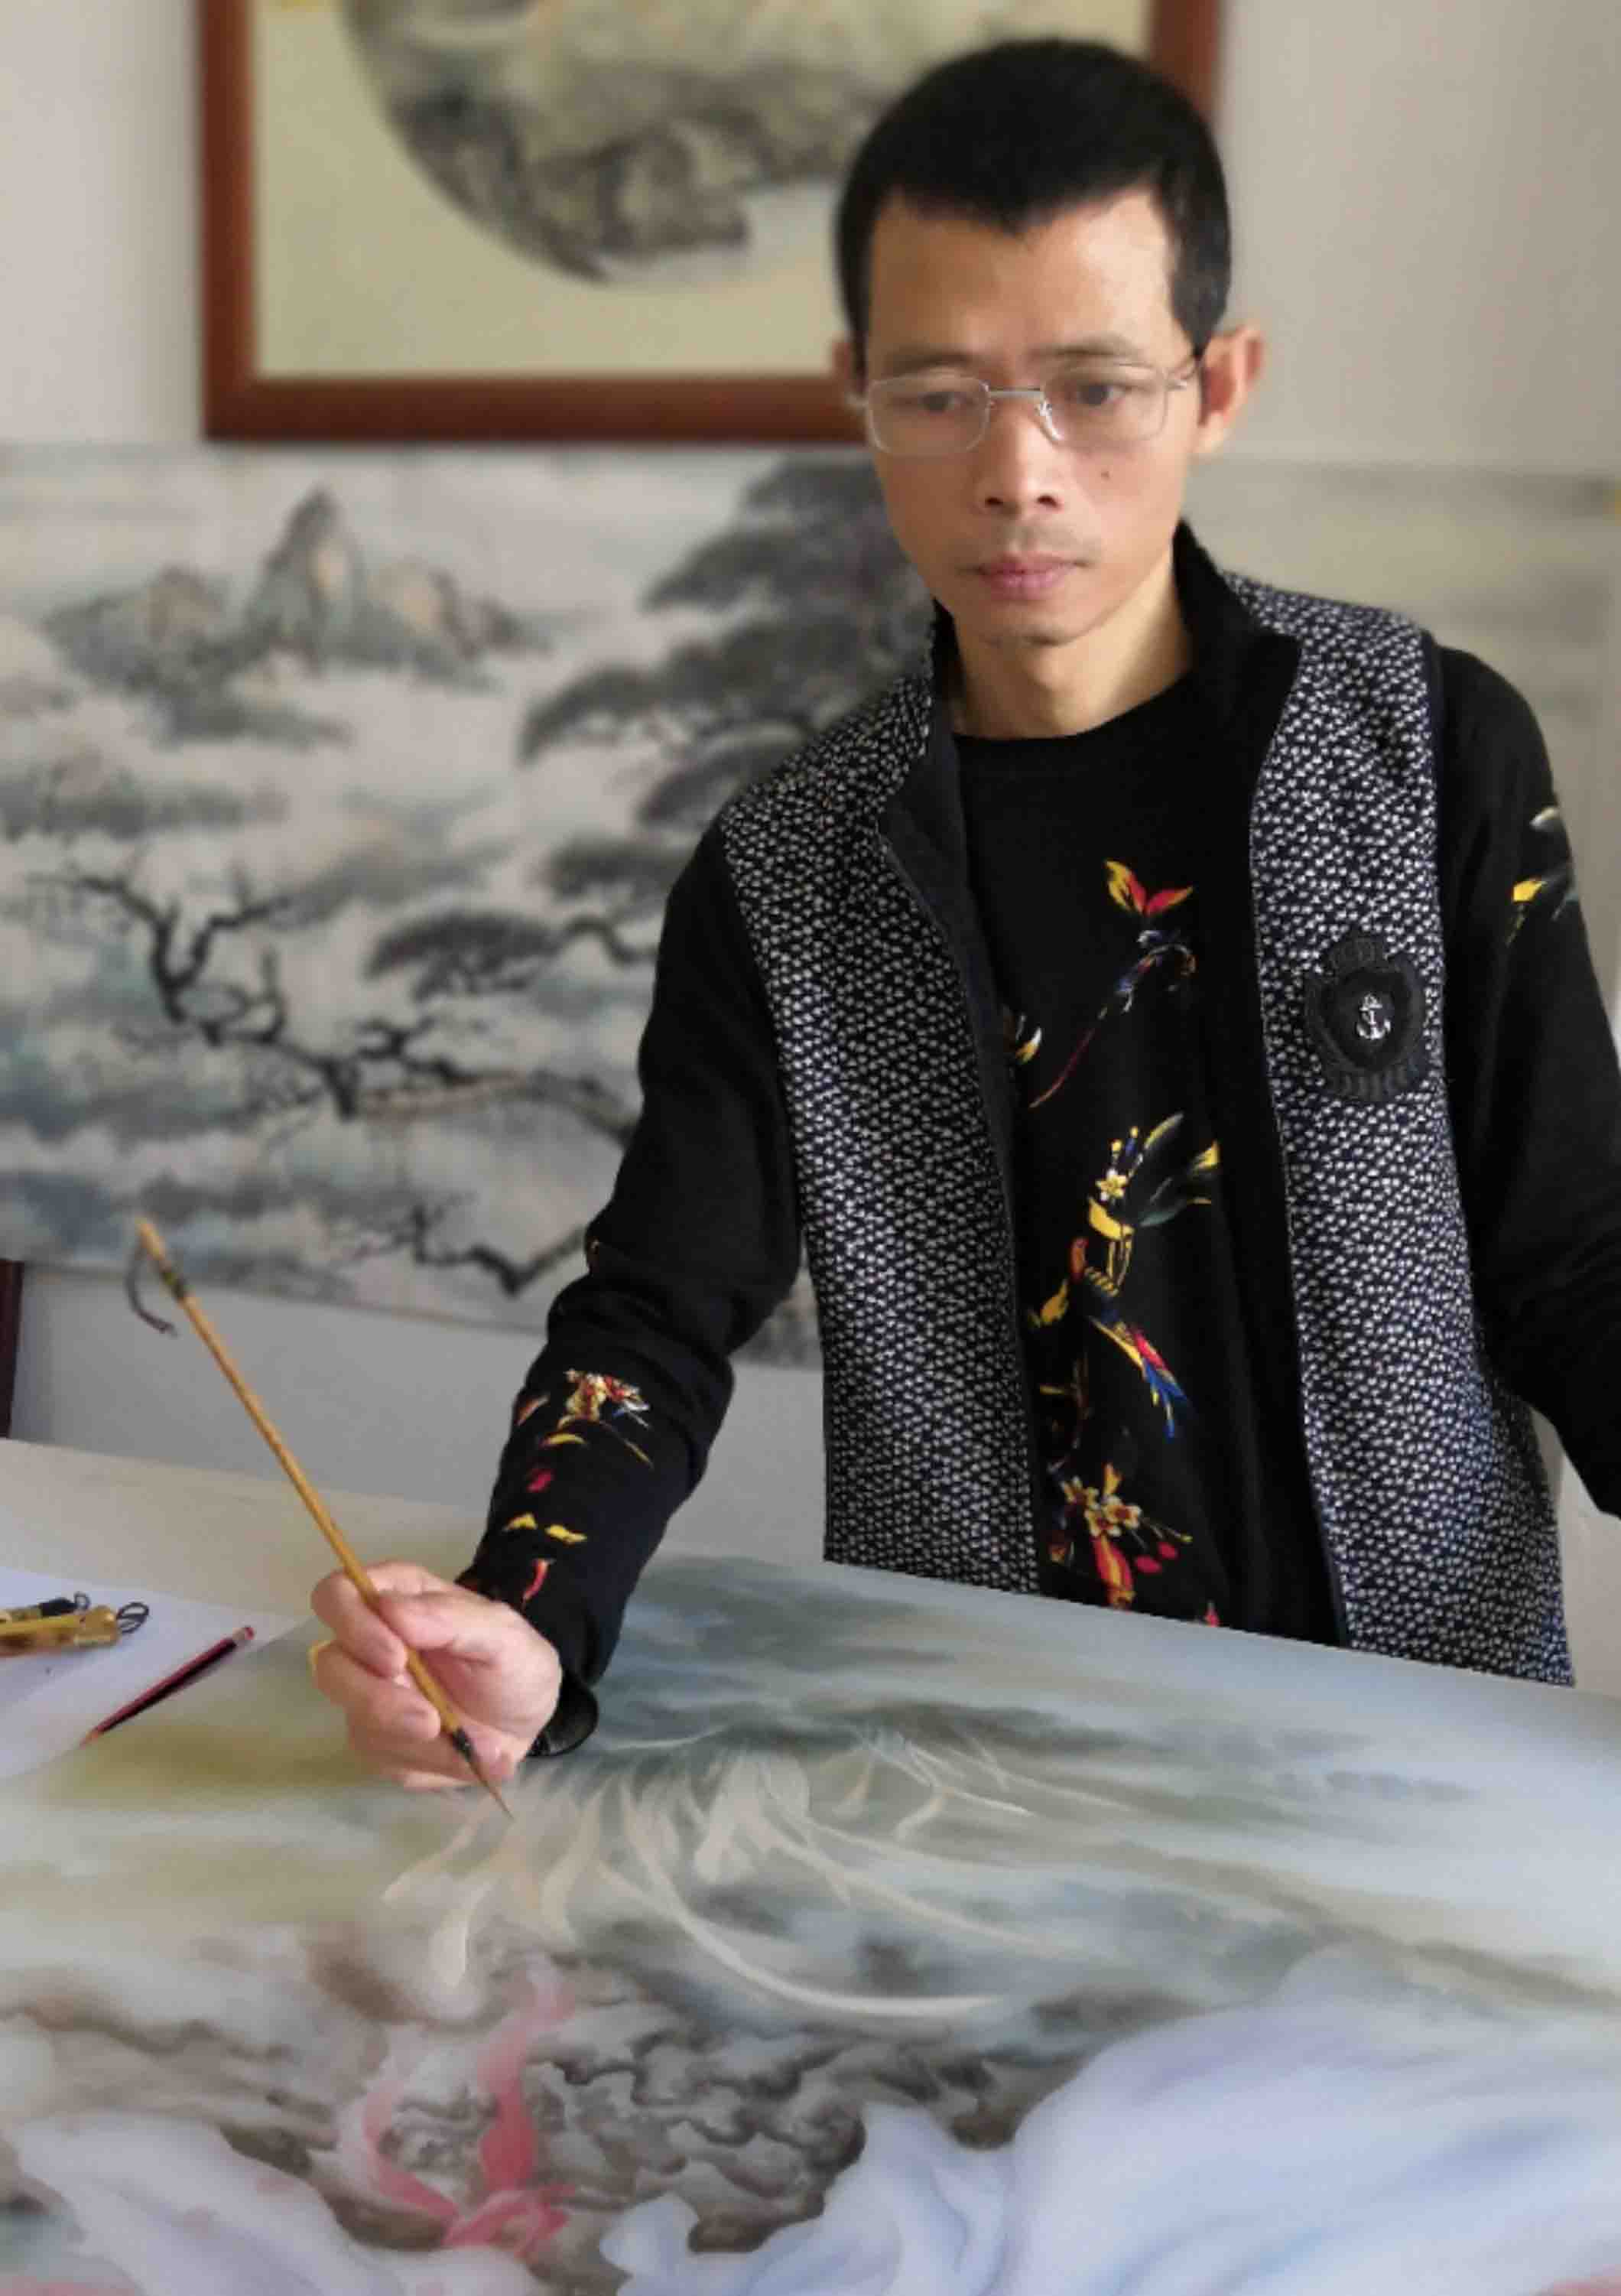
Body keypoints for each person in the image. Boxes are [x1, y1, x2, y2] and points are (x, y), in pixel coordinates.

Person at [311, 37, 1621, 1790]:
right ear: (853, 388)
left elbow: (1573, 1257)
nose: (1017, 470)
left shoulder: (1425, 748)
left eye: (1096, 387)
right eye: (938, 393)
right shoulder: (788, 872)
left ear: (1217, 383)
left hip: (1428, 1743)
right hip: (981, 1768)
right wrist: (527, 1616)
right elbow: (654, 1314)